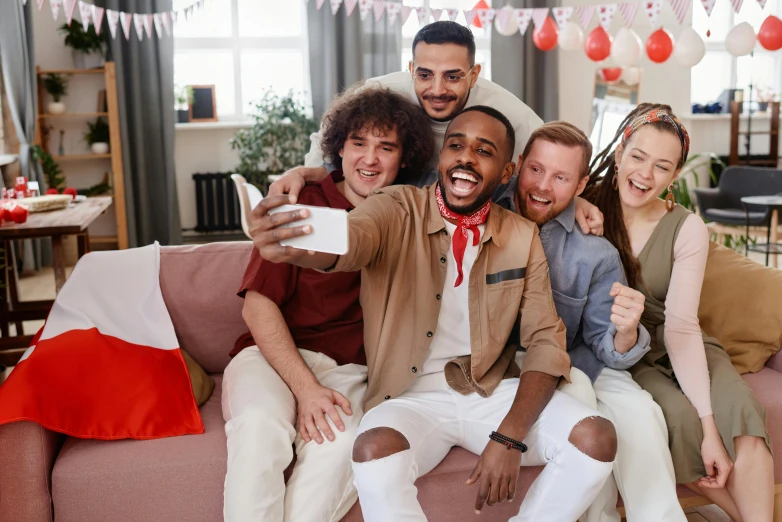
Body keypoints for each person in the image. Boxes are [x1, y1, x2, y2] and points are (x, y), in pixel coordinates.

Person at [250, 105, 617, 522]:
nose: (465, 158)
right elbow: (353, 238)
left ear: (506, 172)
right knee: (373, 451)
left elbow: (546, 342)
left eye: (483, 150)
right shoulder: (395, 206)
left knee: (595, 437)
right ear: (442, 156)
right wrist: (296, 240)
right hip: (408, 398)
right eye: (456, 146)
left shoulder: (521, 234)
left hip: (489, 393)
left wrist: (511, 436)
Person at [222, 86, 434, 522]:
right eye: (359, 143)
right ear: (339, 148)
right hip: (270, 357)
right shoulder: (302, 203)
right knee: (261, 430)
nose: (369, 159)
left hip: (352, 373)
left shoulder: (412, 215)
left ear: (405, 158)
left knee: (339, 449)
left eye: (385, 147)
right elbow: (257, 306)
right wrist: (306, 388)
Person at [584, 103, 774, 522]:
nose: (645, 174)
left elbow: (683, 328)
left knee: (739, 412)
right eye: (637, 157)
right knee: (675, 418)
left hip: (685, 343)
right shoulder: (584, 209)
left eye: (662, 166)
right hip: (630, 355)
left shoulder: (687, 227)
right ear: (619, 154)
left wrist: (711, 428)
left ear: (673, 177)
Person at [495, 121, 687, 522]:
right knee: (583, 404)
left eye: (561, 177)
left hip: (585, 358)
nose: (543, 186)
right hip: (518, 365)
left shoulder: (596, 253)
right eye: (536, 169)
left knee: (642, 413)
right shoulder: (483, 214)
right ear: (517, 166)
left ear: (581, 185)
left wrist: (627, 330)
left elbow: (607, 348)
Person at [269, 21, 605, 237]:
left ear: (474, 74)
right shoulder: (382, 92)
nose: (437, 89)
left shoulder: (509, 111)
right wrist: (307, 170)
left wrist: (575, 201)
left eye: (453, 76)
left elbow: (552, 161)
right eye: (425, 74)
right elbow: (332, 137)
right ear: (411, 69)